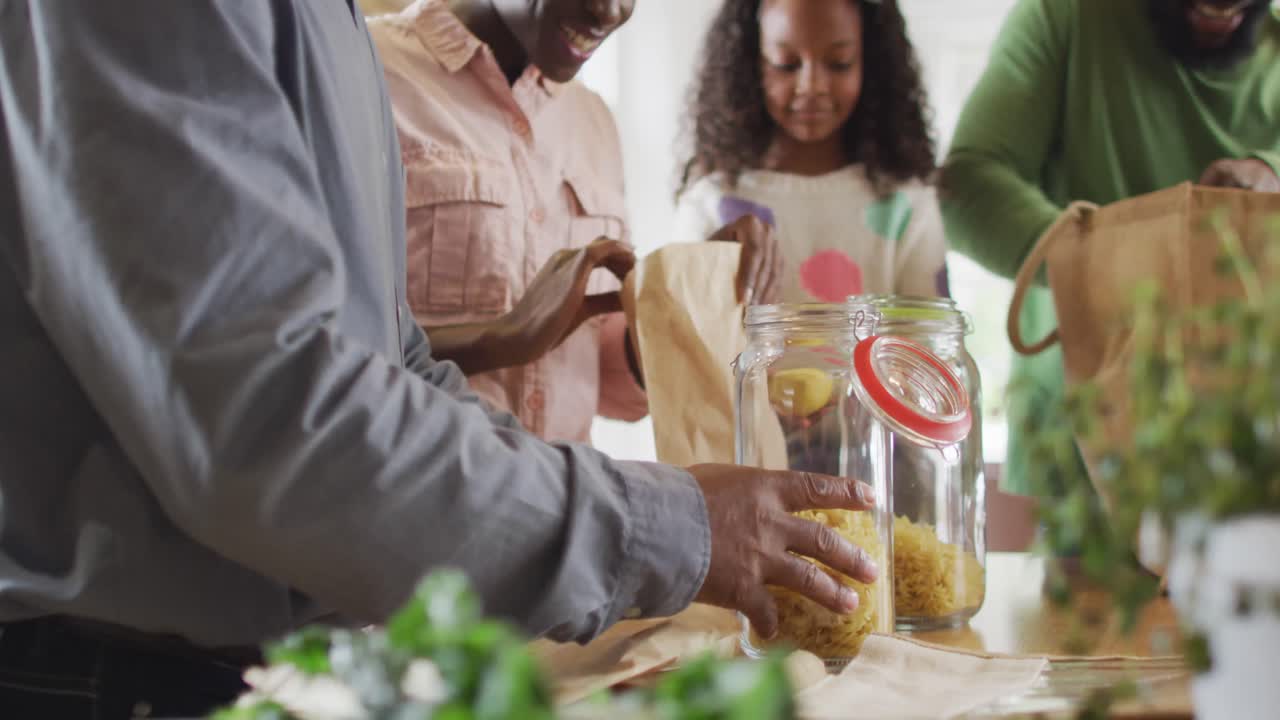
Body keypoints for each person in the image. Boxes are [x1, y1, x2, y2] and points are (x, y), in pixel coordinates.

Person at [0, 2, 878, 717]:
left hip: (377, 628)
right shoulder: (372, 63)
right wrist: (672, 527)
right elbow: (279, 419)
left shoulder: (350, 41)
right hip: (107, 676)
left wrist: (680, 323)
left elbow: (397, 366)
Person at [368, 0, 783, 443]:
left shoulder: (593, 120)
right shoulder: (371, 74)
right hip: (417, 502)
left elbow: (599, 377)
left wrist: (689, 293)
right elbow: (319, 347)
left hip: (569, 504)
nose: (609, 11)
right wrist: (499, 338)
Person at [942, 0, 1280, 497]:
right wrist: (1112, 263)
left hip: (1255, 441)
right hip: (1085, 438)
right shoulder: (1064, 17)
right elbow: (967, 188)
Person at [673, 0, 949, 305]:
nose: (812, 86)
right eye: (786, 64)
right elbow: (680, 337)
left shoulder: (906, 204)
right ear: (750, 64)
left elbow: (930, 340)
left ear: (871, 64)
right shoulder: (711, 203)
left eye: (839, 63)